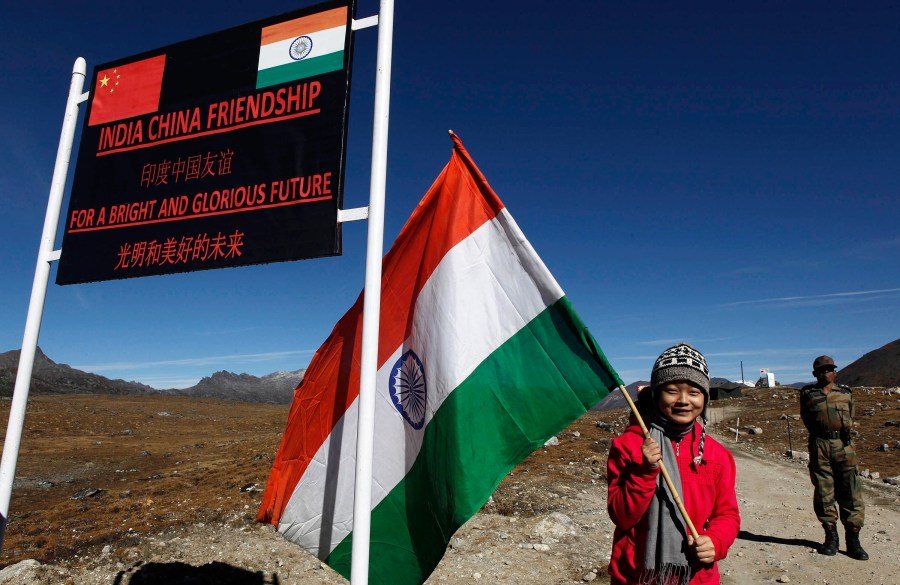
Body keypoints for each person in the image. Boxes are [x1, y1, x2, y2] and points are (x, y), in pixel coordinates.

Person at [607, 343, 740, 584]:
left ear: (705, 397)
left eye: (694, 392)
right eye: (671, 390)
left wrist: (716, 541)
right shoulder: (627, 446)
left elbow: (727, 514)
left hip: (696, 576)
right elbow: (621, 516)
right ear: (657, 394)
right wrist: (645, 470)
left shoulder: (717, 454)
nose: (683, 400)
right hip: (635, 576)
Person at [799, 355, 868, 560]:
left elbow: (851, 416)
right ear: (815, 374)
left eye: (829, 369)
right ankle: (831, 537)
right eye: (821, 370)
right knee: (823, 491)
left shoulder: (845, 393)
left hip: (843, 446)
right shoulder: (808, 393)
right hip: (820, 445)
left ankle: (853, 540)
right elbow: (806, 418)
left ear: (835, 372)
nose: (825, 373)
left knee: (851, 490)